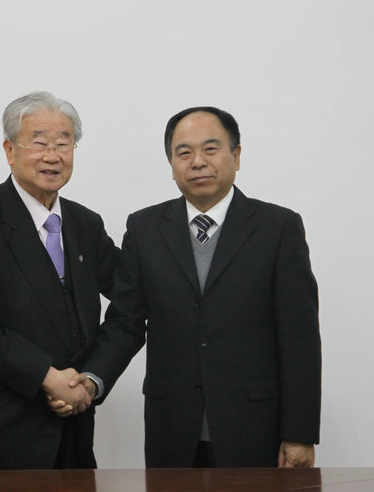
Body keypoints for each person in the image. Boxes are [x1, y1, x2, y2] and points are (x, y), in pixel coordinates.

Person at [65, 106, 321, 468]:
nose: (197, 162)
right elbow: (125, 322)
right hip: (172, 428)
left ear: (236, 156)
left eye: (210, 149)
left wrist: (299, 433)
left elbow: (299, 338)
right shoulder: (145, 229)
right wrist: (91, 380)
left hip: (255, 427)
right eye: (183, 152)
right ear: (172, 165)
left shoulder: (278, 228)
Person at [0, 91, 118, 470]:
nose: (53, 155)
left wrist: (91, 380)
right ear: (10, 150)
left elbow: (131, 298)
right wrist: (48, 378)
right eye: (39, 143)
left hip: (72, 432)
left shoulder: (86, 224)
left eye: (64, 143)